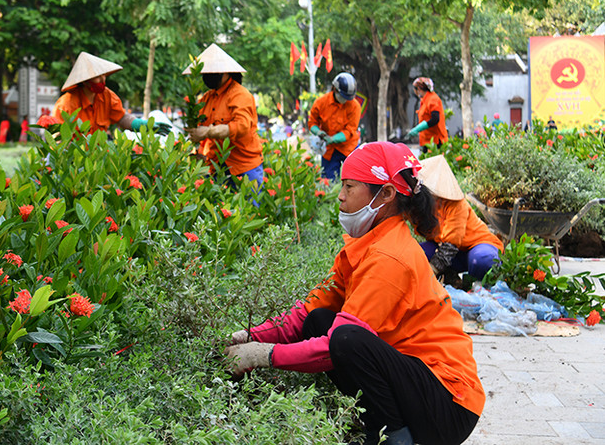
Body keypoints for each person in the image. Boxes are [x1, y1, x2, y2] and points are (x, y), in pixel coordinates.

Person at [224, 142, 484, 445]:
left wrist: (265, 355)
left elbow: (334, 348)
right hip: (415, 377)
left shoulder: (390, 257)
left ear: (386, 194)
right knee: (319, 321)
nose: (341, 195)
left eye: (349, 186)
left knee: (346, 339)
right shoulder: (366, 243)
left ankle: (394, 436)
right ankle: (380, 423)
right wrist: (248, 336)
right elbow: (307, 311)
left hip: (448, 403)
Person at [184, 43, 264, 188]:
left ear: (227, 72)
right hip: (216, 168)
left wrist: (208, 132)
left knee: (247, 203)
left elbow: (241, 126)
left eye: (213, 72)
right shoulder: (206, 99)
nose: (208, 76)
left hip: (244, 167)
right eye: (205, 72)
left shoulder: (240, 95)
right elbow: (199, 129)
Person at [416, 155, 503, 285]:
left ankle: (479, 286)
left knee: (483, 260)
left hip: (477, 245)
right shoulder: (424, 206)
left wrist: (431, 273)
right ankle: (451, 276)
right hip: (454, 255)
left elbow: (450, 246)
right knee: (416, 254)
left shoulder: (455, 204)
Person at [52, 51, 168, 135]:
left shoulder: (106, 96)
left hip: (98, 155)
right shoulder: (66, 104)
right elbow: (58, 137)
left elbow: (121, 117)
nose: (103, 80)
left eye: (104, 75)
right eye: (97, 77)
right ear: (85, 81)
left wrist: (142, 124)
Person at [308, 72, 362, 180]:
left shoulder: (355, 106)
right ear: (335, 89)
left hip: (349, 147)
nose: (345, 100)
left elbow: (350, 130)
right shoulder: (321, 103)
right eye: (343, 96)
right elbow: (312, 123)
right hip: (329, 150)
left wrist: (333, 139)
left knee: (355, 179)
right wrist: (318, 132)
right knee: (328, 181)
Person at [406, 77, 448, 152]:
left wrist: (418, 128)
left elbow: (435, 119)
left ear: (419, 89)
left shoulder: (433, 99)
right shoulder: (424, 100)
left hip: (435, 141)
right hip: (427, 140)